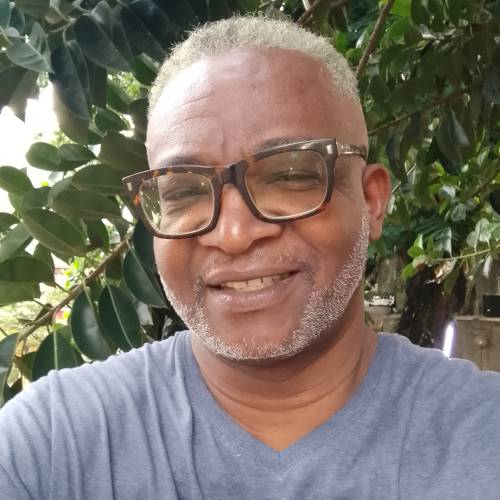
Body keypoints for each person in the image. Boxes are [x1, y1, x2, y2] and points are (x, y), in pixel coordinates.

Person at [1, 15, 500, 500]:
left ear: (371, 202)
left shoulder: (481, 438)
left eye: (289, 176)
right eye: (184, 190)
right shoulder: (50, 446)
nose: (235, 234)